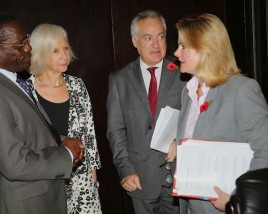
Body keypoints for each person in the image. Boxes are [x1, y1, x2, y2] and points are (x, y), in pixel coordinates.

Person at [0, 12, 84, 214]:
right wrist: (65, 154)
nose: (29, 48)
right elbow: (14, 163)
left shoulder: (10, 82)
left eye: (27, 40)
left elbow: (30, 136)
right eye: (20, 45)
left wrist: (64, 141)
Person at [174, 13, 268, 214]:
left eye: (183, 46)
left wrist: (236, 197)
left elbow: (266, 151)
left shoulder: (242, 90)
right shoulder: (187, 92)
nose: (176, 52)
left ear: (205, 48)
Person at [106, 10, 186, 214]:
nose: (156, 44)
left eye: (160, 37)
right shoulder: (120, 80)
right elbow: (116, 131)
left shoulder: (182, 72)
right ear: (135, 41)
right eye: (148, 38)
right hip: (140, 179)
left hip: (181, 175)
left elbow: (197, 120)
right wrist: (125, 170)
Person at [27, 23, 102, 214]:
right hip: (46, 180)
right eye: (56, 50)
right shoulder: (26, 91)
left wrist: (93, 178)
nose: (65, 55)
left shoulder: (77, 85)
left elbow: (89, 133)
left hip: (81, 180)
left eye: (66, 48)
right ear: (41, 53)